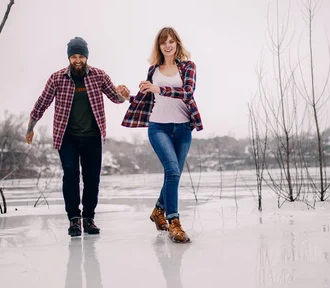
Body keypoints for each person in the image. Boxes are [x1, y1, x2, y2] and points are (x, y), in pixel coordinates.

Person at [26, 36, 130, 237]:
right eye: (73, 56)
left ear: (86, 56)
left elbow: (115, 97)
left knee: (92, 179)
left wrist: (123, 94)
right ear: (69, 58)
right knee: (71, 175)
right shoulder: (57, 78)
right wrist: (30, 127)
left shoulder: (99, 76)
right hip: (67, 137)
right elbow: (42, 103)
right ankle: (74, 219)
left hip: (93, 136)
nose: (77, 60)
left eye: (81, 56)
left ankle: (88, 218)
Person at [121, 27, 203, 243]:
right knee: (173, 171)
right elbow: (145, 100)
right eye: (163, 42)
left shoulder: (188, 67)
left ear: (177, 44)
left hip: (183, 128)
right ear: (159, 46)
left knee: (173, 174)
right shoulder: (153, 70)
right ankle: (174, 222)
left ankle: (158, 210)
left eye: (171, 41)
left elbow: (188, 92)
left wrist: (159, 89)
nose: (168, 45)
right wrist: (127, 96)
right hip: (158, 127)